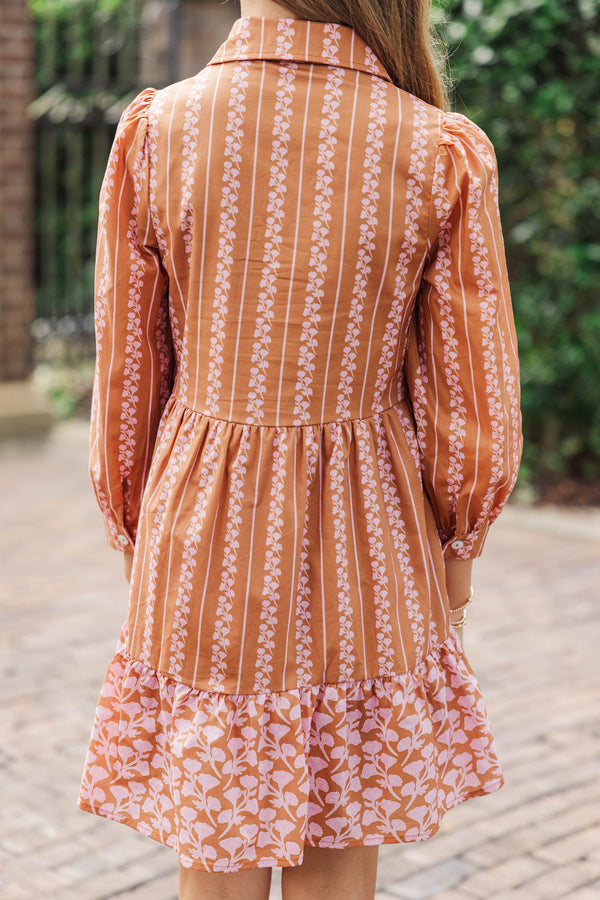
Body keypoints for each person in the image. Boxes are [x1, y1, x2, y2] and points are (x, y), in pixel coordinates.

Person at [78, 0, 522, 896]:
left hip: (200, 528)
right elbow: (476, 400)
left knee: (217, 860)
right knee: (338, 865)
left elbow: (129, 378)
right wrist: (458, 544)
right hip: (371, 536)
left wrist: (137, 522)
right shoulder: (434, 148)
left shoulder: (162, 132)